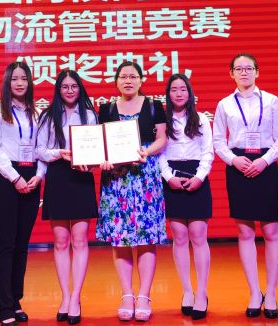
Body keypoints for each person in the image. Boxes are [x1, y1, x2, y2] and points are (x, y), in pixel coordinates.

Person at [212, 53, 278, 319]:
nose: (244, 72)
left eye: (249, 68)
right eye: (239, 69)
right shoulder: (225, 104)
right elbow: (218, 141)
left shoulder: (271, 101)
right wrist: (233, 160)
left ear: (257, 72)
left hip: (265, 165)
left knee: (271, 231)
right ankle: (255, 292)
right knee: (245, 233)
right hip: (238, 166)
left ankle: (272, 292)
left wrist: (265, 160)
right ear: (231, 73)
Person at [95, 61, 168, 322]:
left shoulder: (154, 106)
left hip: (146, 177)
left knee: (147, 237)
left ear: (141, 80)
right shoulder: (106, 109)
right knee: (120, 238)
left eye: (133, 76)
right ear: (116, 81)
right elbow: (100, 143)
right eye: (123, 76)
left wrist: (145, 151)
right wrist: (103, 159)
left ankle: (144, 296)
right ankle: (127, 295)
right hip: (116, 179)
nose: (128, 80)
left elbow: (162, 138)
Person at [35, 70, 98, 325]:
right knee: (61, 241)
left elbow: (96, 149)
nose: (70, 90)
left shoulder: (90, 115)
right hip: (58, 176)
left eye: (74, 86)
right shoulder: (48, 115)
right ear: (58, 89)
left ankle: (75, 298)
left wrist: (90, 162)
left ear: (80, 88)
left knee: (80, 240)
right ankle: (64, 296)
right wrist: (59, 153)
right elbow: (40, 150)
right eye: (65, 86)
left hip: (81, 177)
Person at [0, 61, 46, 325]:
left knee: (22, 244)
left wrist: (39, 175)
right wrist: (15, 178)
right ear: (7, 82)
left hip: (32, 177)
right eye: (14, 79)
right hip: (7, 179)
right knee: (6, 243)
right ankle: (4, 307)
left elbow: (43, 148)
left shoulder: (38, 112)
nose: (20, 83)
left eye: (24, 78)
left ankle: (16, 301)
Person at [158, 73, 214, 321]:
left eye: (183, 89)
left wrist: (200, 177)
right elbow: (159, 152)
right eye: (174, 89)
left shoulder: (200, 119)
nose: (179, 93)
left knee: (198, 235)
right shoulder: (162, 121)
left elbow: (208, 152)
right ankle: (187, 291)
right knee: (179, 237)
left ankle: (202, 292)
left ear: (190, 93)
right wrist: (168, 176)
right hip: (172, 178)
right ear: (168, 94)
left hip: (197, 176)